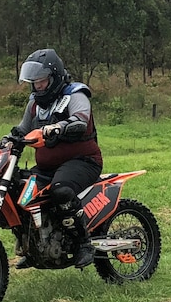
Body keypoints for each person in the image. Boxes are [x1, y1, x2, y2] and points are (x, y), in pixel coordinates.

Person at [10, 48, 103, 269]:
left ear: (54, 78)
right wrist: (6, 140)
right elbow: (22, 130)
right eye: (34, 82)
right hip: (47, 167)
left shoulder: (76, 94)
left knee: (60, 190)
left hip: (83, 161)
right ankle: (34, 246)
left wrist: (58, 127)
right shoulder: (34, 103)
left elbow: (80, 120)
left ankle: (83, 244)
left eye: (41, 81)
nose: (37, 86)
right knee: (18, 190)